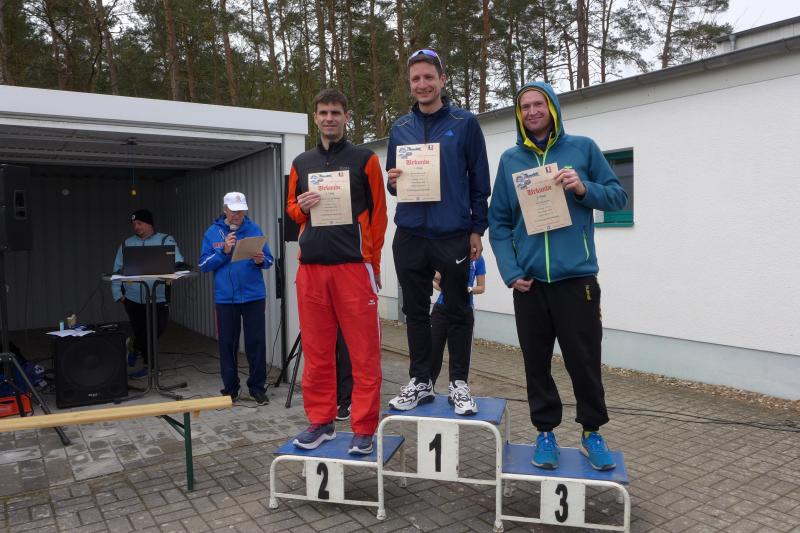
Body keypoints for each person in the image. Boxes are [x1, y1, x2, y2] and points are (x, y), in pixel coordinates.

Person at [488, 82, 628, 471]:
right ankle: (545, 433)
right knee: (536, 364)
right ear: (519, 115)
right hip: (530, 284)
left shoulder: (583, 149)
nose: (532, 111)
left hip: (577, 281)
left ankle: (591, 433)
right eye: (525, 106)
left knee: (584, 362)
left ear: (552, 108)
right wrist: (511, 271)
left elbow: (617, 197)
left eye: (539, 104)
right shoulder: (510, 160)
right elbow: (498, 222)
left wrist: (583, 188)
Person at [385, 48, 490, 416]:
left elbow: (479, 181)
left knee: (458, 308)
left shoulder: (465, 123)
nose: (422, 84)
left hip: (452, 232)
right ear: (409, 83)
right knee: (414, 311)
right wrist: (393, 181)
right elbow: (394, 183)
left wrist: (477, 228)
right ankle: (420, 381)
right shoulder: (399, 127)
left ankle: (459, 383)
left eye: (429, 77)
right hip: (411, 233)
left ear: (442, 80)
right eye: (416, 78)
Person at [286, 89, 388, 454]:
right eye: (323, 112)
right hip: (312, 270)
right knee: (317, 353)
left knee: (363, 354)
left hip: (353, 268)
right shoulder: (301, 162)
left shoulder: (365, 160)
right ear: (315, 117)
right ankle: (321, 421)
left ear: (346, 116)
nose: (329, 118)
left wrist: (373, 266)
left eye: (335, 112)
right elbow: (292, 211)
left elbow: (379, 217)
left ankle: (363, 427)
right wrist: (301, 207)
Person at [199, 192, 274, 405]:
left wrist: (260, 260)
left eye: (241, 211)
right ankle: (230, 389)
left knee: (256, 343)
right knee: (227, 344)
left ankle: (257, 388)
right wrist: (224, 251)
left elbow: (269, 260)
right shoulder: (212, 233)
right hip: (226, 299)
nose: (237, 215)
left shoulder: (254, 229)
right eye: (233, 211)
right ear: (225, 210)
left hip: (253, 296)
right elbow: (203, 265)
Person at [112, 209, 183, 379]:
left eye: (140, 223)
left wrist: (177, 269)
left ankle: (134, 346)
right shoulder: (126, 244)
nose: (136, 227)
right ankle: (150, 367)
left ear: (149, 224)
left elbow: (178, 262)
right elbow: (117, 270)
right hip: (132, 298)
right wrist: (118, 294)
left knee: (156, 330)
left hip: (159, 297)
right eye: (134, 224)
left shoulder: (165, 240)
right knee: (142, 332)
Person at [429, 256, 486, 400]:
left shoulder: (478, 259)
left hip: (464, 309)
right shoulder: (446, 254)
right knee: (433, 350)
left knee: (459, 355)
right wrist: (441, 285)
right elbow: (436, 280)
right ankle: (427, 387)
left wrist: (469, 289)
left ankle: (457, 392)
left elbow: (482, 287)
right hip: (441, 309)